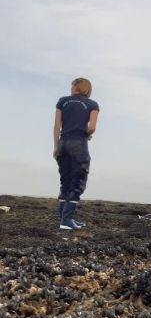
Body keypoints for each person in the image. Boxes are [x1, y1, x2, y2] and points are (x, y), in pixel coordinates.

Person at [53, 77, 99, 229]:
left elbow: (56, 127)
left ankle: (63, 219)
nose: (71, 88)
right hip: (78, 143)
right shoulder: (92, 104)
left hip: (63, 143)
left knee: (65, 180)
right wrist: (86, 134)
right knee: (78, 181)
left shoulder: (62, 101)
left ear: (78, 87)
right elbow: (92, 127)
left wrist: (56, 147)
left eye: (72, 86)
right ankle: (67, 220)